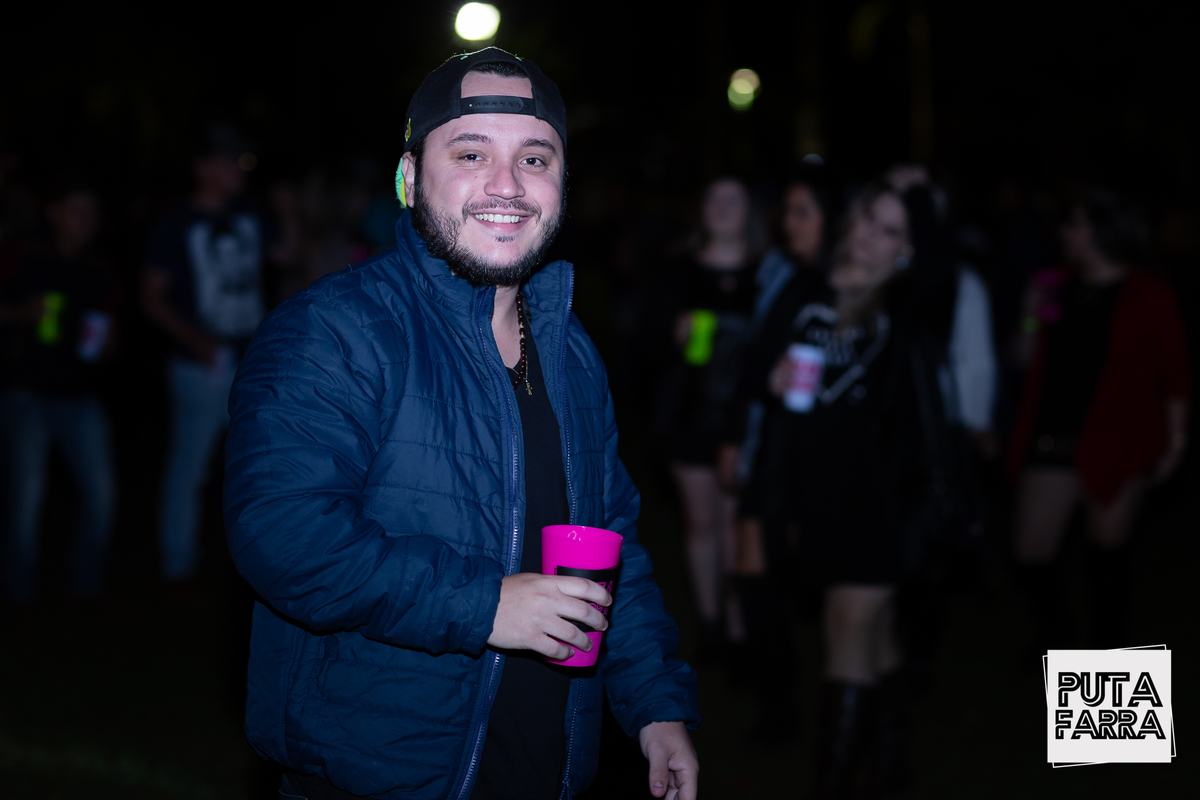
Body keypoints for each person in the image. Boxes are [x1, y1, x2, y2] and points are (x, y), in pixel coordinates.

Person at [223, 48, 699, 800]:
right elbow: (283, 533)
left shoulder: (571, 351)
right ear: (410, 179)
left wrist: (653, 704)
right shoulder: (336, 329)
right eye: (472, 154)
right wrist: (487, 605)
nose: (507, 185)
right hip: (378, 775)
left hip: (546, 773)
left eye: (534, 159)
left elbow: (611, 541)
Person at [742, 167, 957, 794]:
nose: (869, 235)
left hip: (884, 503)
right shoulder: (808, 286)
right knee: (875, 637)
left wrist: (919, 196)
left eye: (890, 230)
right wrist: (773, 377)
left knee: (845, 629)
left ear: (907, 245)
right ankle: (891, 765)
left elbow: (939, 272)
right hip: (819, 500)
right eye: (868, 218)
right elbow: (754, 365)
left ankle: (833, 781)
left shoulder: (908, 303)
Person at [1007, 190, 1190, 653]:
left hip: (1119, 437)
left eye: (1074, 225)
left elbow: (1176, 375)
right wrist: (1028, 317)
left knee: (1107, 555)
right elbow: (1025, 360)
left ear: (1101, 232)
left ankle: (1107, 670)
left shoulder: (1148, 293)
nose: (1064, 235)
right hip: (1053, 433)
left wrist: (1175, 442)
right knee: (1030, 553)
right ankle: (1059, 629)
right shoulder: (1053, 285)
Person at [142, 124, 266, 582]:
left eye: (240, 160)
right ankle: (177, 564)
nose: (238, 170)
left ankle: (255, 563)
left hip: (252, 361)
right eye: (229, 161)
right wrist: (195, 339)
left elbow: (288, 255)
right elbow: (151, 296)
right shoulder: (176, 225)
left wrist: (291, 212)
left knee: (259, 462)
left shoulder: (251, 214)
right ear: (204, 168)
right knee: (190, 467)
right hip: (200, 366)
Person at [652, 176, 767, 661]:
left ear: (749, 211)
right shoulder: (678, 270)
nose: (721, 207)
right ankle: (711, 626)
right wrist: (670, 333)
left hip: (747, 418)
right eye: (713, 198)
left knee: (737, 525)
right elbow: (644, 342)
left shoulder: (767, 274)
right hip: (690, 414)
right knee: (702, 523)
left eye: (732, 199)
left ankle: (739, 630)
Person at [0, 185, 117, 603]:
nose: (86, 221)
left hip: (79, 393)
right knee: (25, 499)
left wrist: (107, 345)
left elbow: (106, 329)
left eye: (92, 212)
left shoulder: (98, 267)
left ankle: (88, 587)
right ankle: (19, 593)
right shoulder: (20, 254)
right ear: (53, 211)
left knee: (102, 495)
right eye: (76, 210)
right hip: (25, 392)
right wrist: (18, 313)